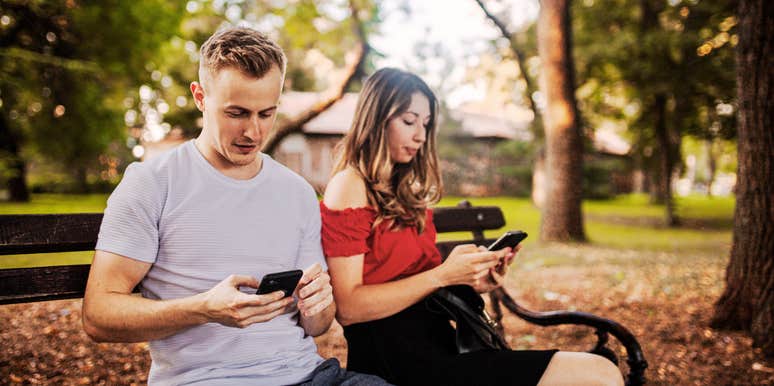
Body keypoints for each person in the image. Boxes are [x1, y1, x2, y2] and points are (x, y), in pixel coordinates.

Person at [82, 27, 389, 386]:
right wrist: (203, 309)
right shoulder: (153, 183)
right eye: (237, 113)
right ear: (200, 97)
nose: (253, 133)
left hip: (309, 374)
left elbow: (318, 326)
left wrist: (319, 306)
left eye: (266, 114)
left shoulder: (297, 192)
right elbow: (98, 315)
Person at [321, 68, 625, 386]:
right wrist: (442, 274)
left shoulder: (403, 191)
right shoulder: (349, 185)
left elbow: (421, 285)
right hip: (401, 362)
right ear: (376, 118)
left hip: (445, 347)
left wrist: (473, 279)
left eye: (425, 124)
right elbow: (349, 307)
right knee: (598, 375)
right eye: (409, 121)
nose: (420, 136)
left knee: (599, 373)